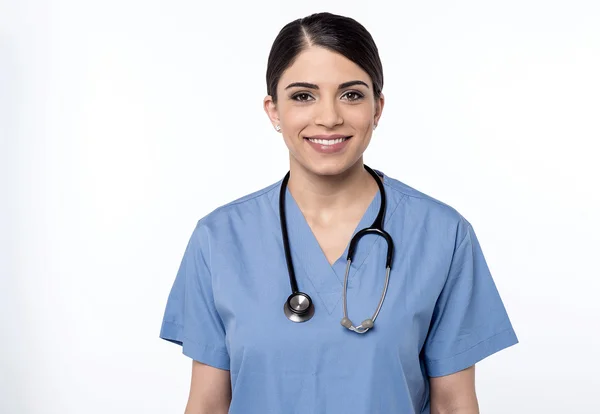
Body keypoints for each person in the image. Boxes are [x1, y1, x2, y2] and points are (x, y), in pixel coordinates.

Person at [159, 11, 518, 414]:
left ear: (377, 108)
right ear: (273, 110)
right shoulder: (220, 239)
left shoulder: (441, 235)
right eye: (302, 95)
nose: (329, 117)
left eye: (351, 94)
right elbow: (207, 404)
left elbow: (453, 405)